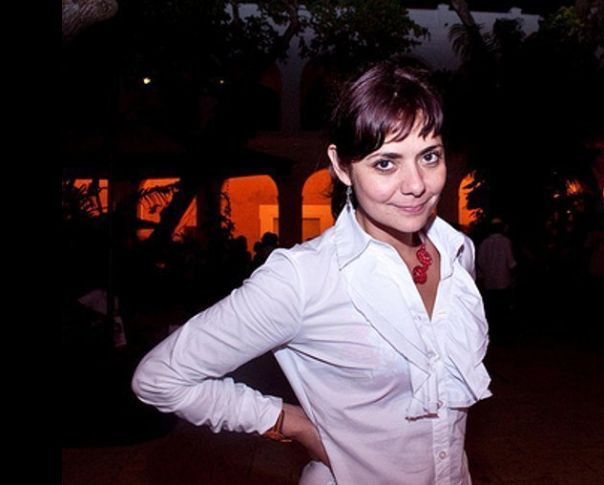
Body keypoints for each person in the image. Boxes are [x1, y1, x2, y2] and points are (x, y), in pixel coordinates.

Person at [132, 61, 492, 485]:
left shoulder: (457, 253)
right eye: (385, 163)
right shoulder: (303, 280)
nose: (416, 184)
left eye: (429, 156)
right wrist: (290, 422)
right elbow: (160, 378)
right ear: (341, 167)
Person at [476, 217, 516, 341]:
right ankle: (503, 334)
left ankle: (493, 334)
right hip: (504, 281)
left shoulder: (485, 243)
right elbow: (511, 262)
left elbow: (480, 261)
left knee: (492, 309)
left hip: (489, 282)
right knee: (503, 308)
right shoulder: (505, 242)